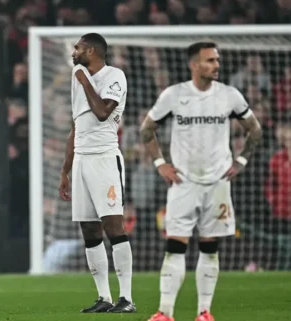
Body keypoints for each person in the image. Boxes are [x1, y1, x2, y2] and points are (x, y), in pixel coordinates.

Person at [141, 42, 262, 321]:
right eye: (209, 60)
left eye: (217, 60)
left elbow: (254, 130)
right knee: (175, 246)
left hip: (218, 182)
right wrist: (161, 164)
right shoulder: (174, 95)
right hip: (183, 183)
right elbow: (147, 129)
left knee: (210, 247)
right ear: (194, 64)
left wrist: (241, 161)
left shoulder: (230, 95)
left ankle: (204, 313)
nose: (216, 65)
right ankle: (165, 313)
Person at [58, 33, 135, 313]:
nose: (73, 53)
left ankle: (126, 298)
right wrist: (65, 170)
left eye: (77, 48)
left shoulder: (115, 75)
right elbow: (77, 125)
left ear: (90, 50)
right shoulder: (77, 78)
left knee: (113, 226)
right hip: (81, 160)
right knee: (89, 229)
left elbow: (103, 112)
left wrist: (83, 79)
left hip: (104, 158)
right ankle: (104, 297)